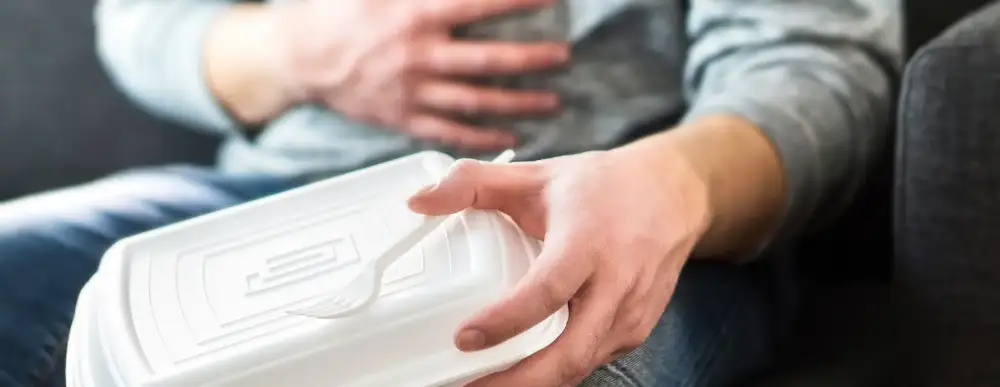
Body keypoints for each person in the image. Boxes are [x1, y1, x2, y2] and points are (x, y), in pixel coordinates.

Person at [0, 0, 901, 385]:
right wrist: (295, 53)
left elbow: (817, 67)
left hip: (607, 203)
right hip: (258, 204)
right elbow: (144, 23)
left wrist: (672, 180)